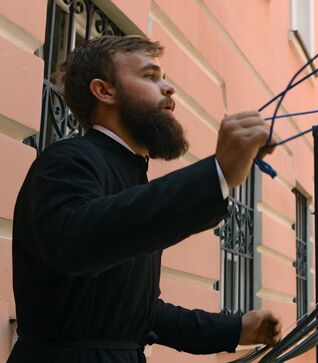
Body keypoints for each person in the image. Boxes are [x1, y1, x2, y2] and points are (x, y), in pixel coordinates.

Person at [7, 35, 281, 363]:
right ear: (104, 91)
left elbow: (137, 311)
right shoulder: (67, 159)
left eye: (163, 77)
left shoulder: (131, 171)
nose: (168, 88)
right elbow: (77, 243)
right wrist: (216, 175)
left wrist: (234, 330)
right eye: (150, 76)